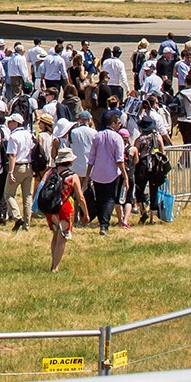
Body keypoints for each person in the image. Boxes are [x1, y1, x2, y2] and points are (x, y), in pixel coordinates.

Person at [43, 144, 89, 273]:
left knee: (55, 235)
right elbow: (80, 197)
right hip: (64, 208)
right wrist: (86, 213)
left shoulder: (50, 172)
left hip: (51, 208)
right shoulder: (72, 176)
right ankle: (55, 267)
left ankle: (53, 262)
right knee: (62, 238)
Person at [86, 111, 126, 236]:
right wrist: (125, 176)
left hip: (98, 172)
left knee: (100, 198)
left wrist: (88, 174)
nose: (120, 125)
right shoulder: (117, 137)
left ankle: (102, 221)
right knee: (109, 199)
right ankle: (104, 224)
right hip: (112, 173)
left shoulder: (97, 136)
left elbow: (91, 157)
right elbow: (119, 159)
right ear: (113, 124)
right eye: (118, 123)